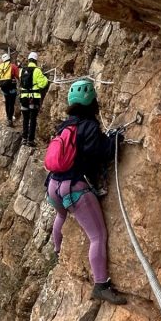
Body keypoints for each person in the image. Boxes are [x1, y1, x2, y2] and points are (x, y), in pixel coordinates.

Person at [45, 78, 128, 305]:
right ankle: (101, 285)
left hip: (53, 186)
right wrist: (116, 139)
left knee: (61, 215)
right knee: (97, 236)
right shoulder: (89, 127)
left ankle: (57, 249)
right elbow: (102, 152)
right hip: (74, 189)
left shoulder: (64, 126)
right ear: (91, 101)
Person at [19, 52, 49, 147]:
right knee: (32, 119)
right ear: (36, 61)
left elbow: (21, 82)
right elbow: (43, 84)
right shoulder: (37, 71)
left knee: (25, 119)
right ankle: (30, 140)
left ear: (28, 60)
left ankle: (24, 138)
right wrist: (45, 78)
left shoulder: (22, 70)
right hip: (34, 98)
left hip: (24, 97)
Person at [0, 52, 19, 127]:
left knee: (7, 102)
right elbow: (18, 75)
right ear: (9, 59)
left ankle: (8, 117)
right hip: (11, 87)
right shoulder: (13, 66)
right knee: (11, 104)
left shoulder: (1, 66)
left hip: (4, 87)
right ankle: (10, 119)